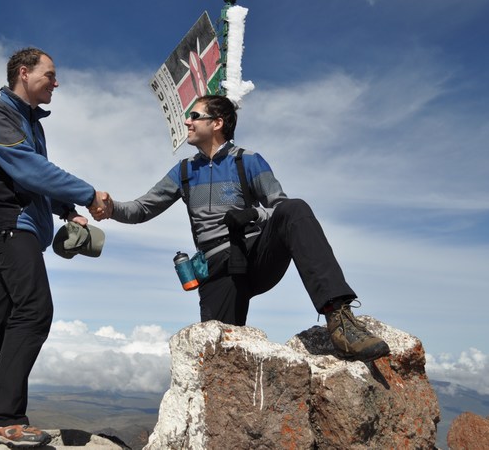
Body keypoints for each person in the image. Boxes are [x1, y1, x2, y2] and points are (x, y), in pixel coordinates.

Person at [94, 95, 389, 363]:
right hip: (216, 270)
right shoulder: (183, 170)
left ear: (217, 123)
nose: (187, 122)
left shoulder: (248, 161)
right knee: (219, 358)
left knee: (296, 209)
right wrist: (111, 208)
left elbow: (280, 206)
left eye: (194, 116)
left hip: (254, 255)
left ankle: (340, 319)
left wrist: (253, 213)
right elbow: (143, 208)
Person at [0, 47, 108, 448]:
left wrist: (65, 209)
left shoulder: (32, 124)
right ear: (24, 73)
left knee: (0, 318)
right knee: (35, 310)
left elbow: (34, 181)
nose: (56, 82)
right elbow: (28, 168)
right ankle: (3, 419)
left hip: (24, 228)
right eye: (50, 74)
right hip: (10, 225)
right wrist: (88, 194)